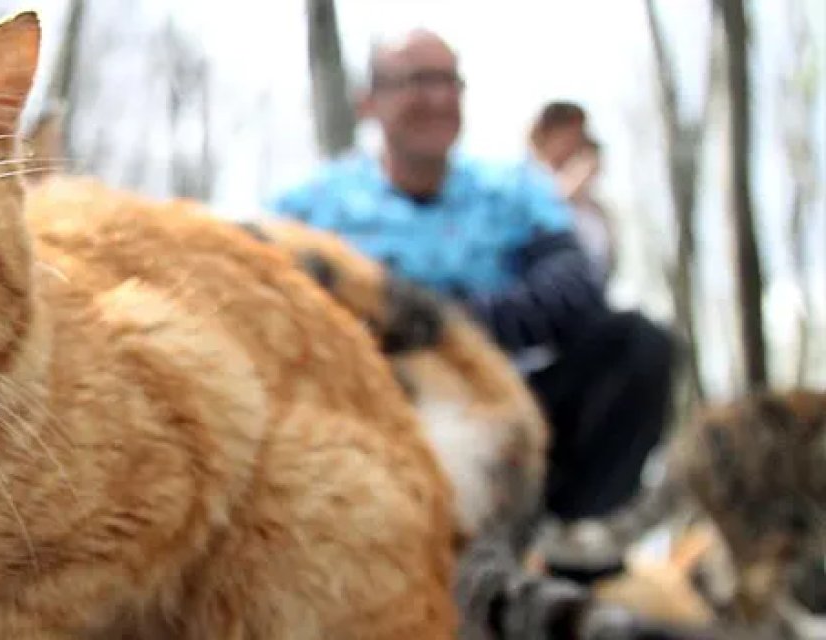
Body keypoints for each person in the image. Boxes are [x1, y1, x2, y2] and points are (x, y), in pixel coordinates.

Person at [269, 30, 674, 543]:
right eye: (418, 81)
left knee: (640, 344)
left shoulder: (515, 190)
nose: (439, 98)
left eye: (449, 81)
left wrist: (449, 327)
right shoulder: (310, 206)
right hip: (373, 406)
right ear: (369, 101)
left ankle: (567, 537)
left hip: (510, 397)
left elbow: (575, 285)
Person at [528, 101, 617, 279]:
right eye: (569, 135)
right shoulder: (524, 184)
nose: (577, 143)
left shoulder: (593, 208)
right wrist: (569, 189)